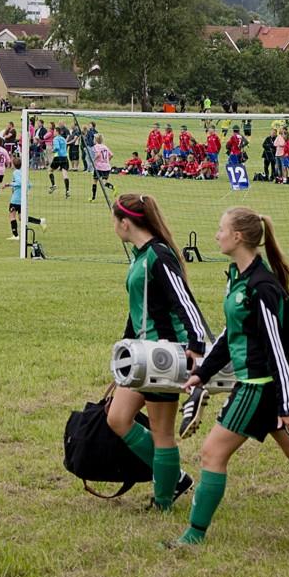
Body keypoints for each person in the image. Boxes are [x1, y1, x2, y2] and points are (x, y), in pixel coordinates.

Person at [176, 206, 289, 546]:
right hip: (262, 387)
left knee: (211, 453)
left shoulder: (262, 287)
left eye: (221, 229)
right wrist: (202, 374)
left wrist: (287, 404)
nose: (216, 235)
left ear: (239, 237)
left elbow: (277, 350)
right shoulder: (238, 277)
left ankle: (193, 537)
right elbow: (230, 335)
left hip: (257, 387)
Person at [105, 194, 210, 511]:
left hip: (164, 356)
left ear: (126, 223)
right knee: (118, 418)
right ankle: (174, 477)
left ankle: (163, 500)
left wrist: (195, 346)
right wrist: (123, 359)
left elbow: (185, 302)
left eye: (115, 222)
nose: (114, 227)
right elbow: (139, 309)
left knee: (162, 433)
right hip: (141, 356)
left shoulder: (159, 256)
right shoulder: (140, 256)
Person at [47, 127, 71, 197]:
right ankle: (67, 191)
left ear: (57, 132)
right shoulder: (63, 139)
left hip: (58, 157)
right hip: (65, 157)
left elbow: (57, 148)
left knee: (50, 171)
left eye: (54, 131)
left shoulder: (56, 139)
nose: (53, 133)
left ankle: (53, 185)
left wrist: (52, 151)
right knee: (65, 174)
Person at [89, 134, 114, 200]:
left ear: (95, 140)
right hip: (107, 167)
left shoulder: (95, 147)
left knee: (95, 181)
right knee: (104, 182)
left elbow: (98, 154)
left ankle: (93, 198)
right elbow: (111, 155)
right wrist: (107, 161)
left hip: (98, 167)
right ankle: (113, 187)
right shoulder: (105, 146)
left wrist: (93, 161)